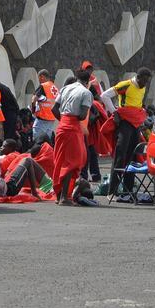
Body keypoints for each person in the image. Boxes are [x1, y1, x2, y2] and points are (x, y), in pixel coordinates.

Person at [51, 68, 94, 206]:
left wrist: (64, 119)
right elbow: (82, 115)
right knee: (73, 162)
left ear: (76, 78)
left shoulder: (65, 88)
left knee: (60, 161)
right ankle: (64, 197)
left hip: (61, 126)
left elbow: (54, 109)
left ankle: (59, 196)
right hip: (73, 128)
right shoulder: (86, 92)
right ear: (87, 82)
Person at [108, 68, 152, 202]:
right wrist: (114, 112)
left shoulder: (142, 88)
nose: (145, 84)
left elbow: (138, 105)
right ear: (138, 77)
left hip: (135, 125)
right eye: (144, 80)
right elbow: (105, 95)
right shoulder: (126, 85)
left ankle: (128, 190)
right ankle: (112, 191)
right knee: (120, 155)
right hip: (125, 124)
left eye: (147, 81)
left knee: (133, 156)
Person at [81, 61, 105, 183]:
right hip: (84, 121)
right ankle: (89, 175)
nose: (89, 71)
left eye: (90, 69)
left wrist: (97, 105)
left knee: (89, 149)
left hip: (89, 122)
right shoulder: (81, 84)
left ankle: (91, 175)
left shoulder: (90, 84)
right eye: (87, 69)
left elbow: (99, 98)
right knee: (87, 149)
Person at [0, 73, 21, 145]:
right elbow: (14, 101)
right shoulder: (5, 87)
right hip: (12, 114)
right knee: (11, 134)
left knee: (8, 136)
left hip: (7, 115)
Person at [30, 69, 60, 141]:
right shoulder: (54, 87)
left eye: (39, 78)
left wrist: (33, 111)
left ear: (42, 77)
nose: (39, 81)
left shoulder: (43, 86)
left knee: (37, 140)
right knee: (47, 140)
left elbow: (34, 99)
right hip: (52, 118)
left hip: (43, 117)